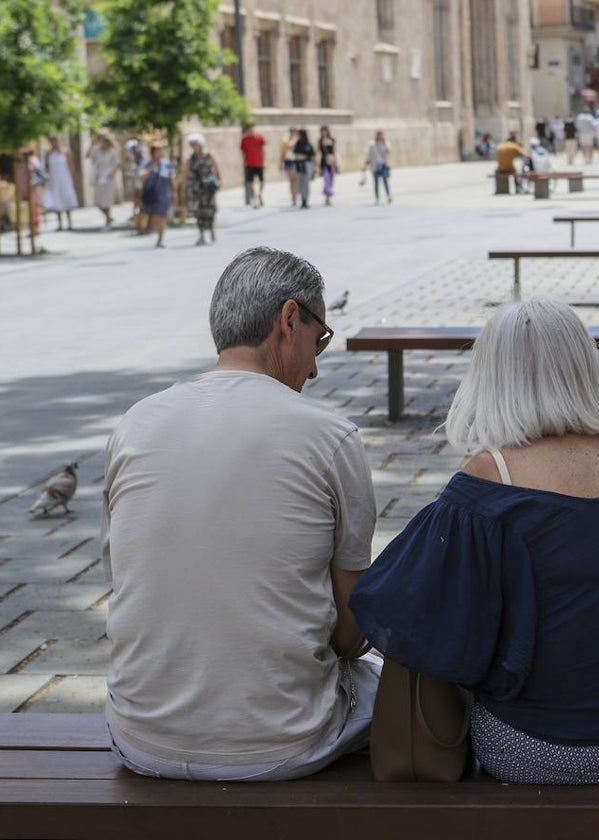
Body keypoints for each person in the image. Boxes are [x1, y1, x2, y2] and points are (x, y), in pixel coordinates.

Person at [350, 295, 599, 786]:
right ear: (584, 367)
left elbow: (401, 604)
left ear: (490, 377)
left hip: (537, 750)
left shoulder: (487, 480)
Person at [103, 246, 379, 782]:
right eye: (318, 340)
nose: (317, 368)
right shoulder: (329, 438)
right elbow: (351, 631)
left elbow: (125, 582)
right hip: (282, 743)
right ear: (290, 319)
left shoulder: (134, 426)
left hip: (140, 738)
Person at [185, 133, 221, 245]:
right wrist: (185, 189)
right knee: (199, 212)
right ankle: (201, 235)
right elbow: (186, 174)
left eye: (195, 144)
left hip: (209, 188)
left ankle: (211, 230)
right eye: (192, 145)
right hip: (197, 189)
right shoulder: (190, 159)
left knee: (210, 210)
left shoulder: (208, 156)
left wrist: (218, 181)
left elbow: (216, 168)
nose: (194, 147)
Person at [139, 142, 174, 248]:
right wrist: (152, 167)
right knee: (155, 216)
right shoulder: (147, 163)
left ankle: (160, 237)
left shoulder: (166, 163)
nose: (159, 153)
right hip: (151, 194)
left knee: (162, 215)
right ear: (152, 152)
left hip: (163, 194)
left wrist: (174, 193)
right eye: (157, 151)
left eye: (161, 150)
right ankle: (158, 232)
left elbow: (171, 177)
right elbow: (142, 176)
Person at [42, 135, 80, 231]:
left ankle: (69, 222)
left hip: (65, 179)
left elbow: (71, 166)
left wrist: (73, 179)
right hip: (54, 180)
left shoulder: (65, 152)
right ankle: (60, 223)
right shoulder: (48, 154)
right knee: (57, 200)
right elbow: (47, 168)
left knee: (66, 198)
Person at [88, 133, 121, 228]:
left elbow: (117, 164)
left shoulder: (113, 151)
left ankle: (107, 221)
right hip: (99, 178)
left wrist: (112, 174)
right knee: (98, 201)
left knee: (107, 200)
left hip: (109, 178)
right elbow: (87, 156)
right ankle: (108, 217)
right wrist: (92, 145)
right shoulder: (97, 151)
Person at [239, 122, 266, 208]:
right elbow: (243, 152)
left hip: (259, 163)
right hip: (249, 163)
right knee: (250, 182)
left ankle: (260, 194)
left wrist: (264, 161)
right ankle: (254, 198)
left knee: (261, 181)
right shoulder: (244, 139)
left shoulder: (259, 137)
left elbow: (262, 149)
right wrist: (244, 162)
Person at [363, 130, 392, 205]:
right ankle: (377, 198)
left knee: (385, 180)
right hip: (375, 166)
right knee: (376, 183)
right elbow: (369, 155)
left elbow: (389, 151)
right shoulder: (372, 144)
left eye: (381, 134)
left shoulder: (386, 143)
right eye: (379, 134)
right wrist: (365, 165)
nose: (380, 136)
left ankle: (388, 195)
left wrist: (385, 143)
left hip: (383, 165)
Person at [292, 128, 316, 209]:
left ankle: (306, 200)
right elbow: (295, 155)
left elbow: (312, 156)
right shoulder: (297, 144)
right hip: (298, 166)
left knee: (306, 183)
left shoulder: (308, 144)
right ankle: (302, 199)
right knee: (299, 183)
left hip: (307, 165)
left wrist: (316, 167)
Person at [318, 125, 337, 206]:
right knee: (326, 178)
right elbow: (318, 152)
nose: (324, 132)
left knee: (331, 178)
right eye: (322, 131)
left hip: (332, 161)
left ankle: (328, 197)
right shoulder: (320, 141)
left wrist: (336, 161)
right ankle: (327, 194)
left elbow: (335, 151)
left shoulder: (332, 140)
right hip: (324, 161)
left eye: (325, 130)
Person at [280, 127, 299, 207]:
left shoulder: (298, 140)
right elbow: (283, 153)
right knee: (292, 180)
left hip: (296, 162)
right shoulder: (286, 141)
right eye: (291, 132)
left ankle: (296, 195)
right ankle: (293, 197)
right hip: (288, 162)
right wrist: (281, 163)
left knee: (296, 180)